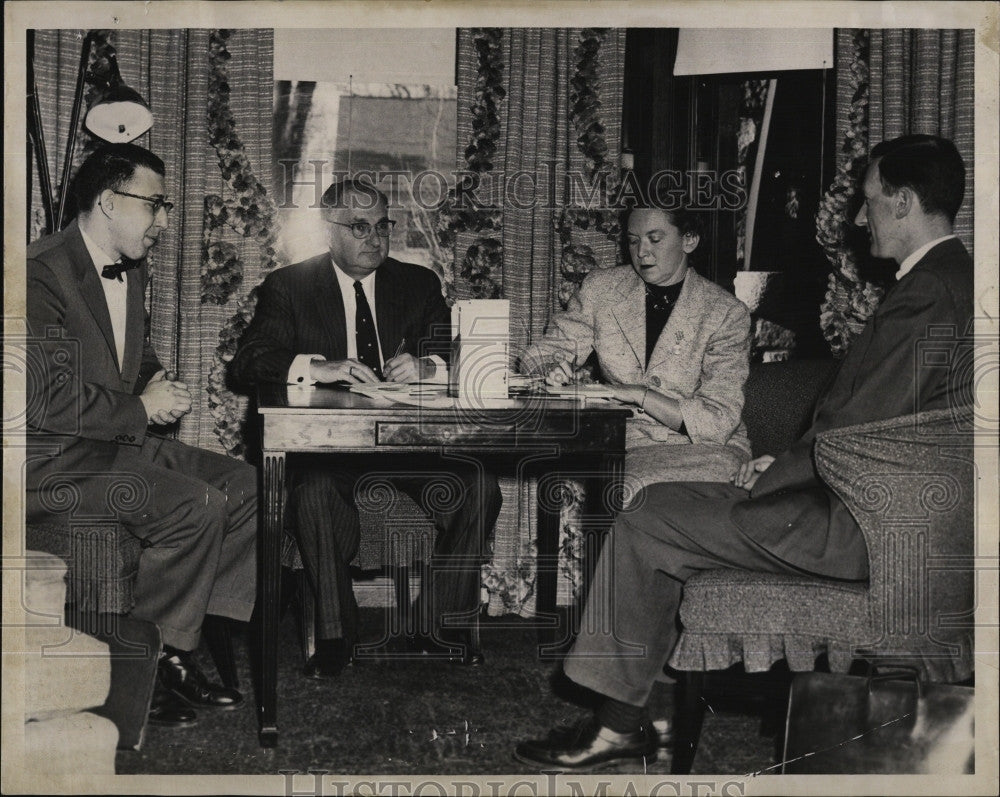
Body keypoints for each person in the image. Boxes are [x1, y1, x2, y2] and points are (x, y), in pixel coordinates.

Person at [514, 134, 974, 771]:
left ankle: (619, 726)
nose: (860, 217)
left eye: (868, 202)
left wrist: (777, 470)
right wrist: (787, 463)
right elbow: (878, 421)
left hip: (862, 525)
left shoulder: (927, 291)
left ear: (902, 202)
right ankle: (633, 718)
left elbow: (856, 427)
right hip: (887, 514)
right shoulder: (955, 279)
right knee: (665, 507)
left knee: (649, 518)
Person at [231, 178, 502, 678]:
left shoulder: (417, 283)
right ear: (327, 231)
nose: (374, 238)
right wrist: (317, 366)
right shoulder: (289, 286)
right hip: (329, 454)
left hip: (411, 451)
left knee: (480, 487)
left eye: (382, 226)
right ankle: (335, 636)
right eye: (359, 227)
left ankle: (437, 625)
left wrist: (429, 367)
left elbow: (459, 353)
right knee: (311, 494)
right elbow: (248, 361)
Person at [26, 144, 257, 729]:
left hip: (113, 445)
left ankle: (177, 648)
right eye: (154, 205)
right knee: (197, 505)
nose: (162, 221)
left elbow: (127, 352)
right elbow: (42, 397)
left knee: (248, 485)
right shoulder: (36, 272)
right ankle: (138, 667)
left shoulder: (132, 265)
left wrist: (154, 376)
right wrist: (140, 408)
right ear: (107, 201)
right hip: (53, 462)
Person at [520, 205, 751, 494]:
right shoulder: (601, 289)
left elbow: (718, 421)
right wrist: (549, 369)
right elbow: (542, 353)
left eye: (655, 239)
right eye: (633, 240)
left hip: (703, 449)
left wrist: (639, 394)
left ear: (688, 240)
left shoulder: (726, 313)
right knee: (626, 488)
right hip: (626, 444)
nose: (641, 252)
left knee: (638, 492)